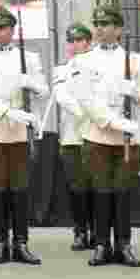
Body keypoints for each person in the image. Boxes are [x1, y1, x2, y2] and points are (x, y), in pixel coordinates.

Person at [0, 6, 48, 265]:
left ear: (12, 30)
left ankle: (21, 243)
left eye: (3, 28)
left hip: (19, 135)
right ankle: (1, 242)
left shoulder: (31, 58)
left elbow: (44, 91)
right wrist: (10, 113)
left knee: (20, 190)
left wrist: (32, 84)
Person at [78, 5, 140, 268]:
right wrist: (112, 121)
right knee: (101, 192)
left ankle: (123, 244)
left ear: (118, 29)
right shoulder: (85, 60)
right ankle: (101, 244)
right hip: (98, 137)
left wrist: (137, 93)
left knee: (122, 192)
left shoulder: (135, 60)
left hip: (128, 141)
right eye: (97, 23)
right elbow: (85, 99)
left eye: (106, 24)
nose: (99, 28)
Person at [53, 22, 94, 253]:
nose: (73, 45)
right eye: (70, 41)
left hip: (96, 134)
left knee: (97, 188)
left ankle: (98, 233)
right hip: (71, 136)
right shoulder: (62, 69)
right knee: (76, 187)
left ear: (88, 42)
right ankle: (80, 231)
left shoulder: (97, 66)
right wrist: (83, 112)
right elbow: (61, 96)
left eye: (78, 40)